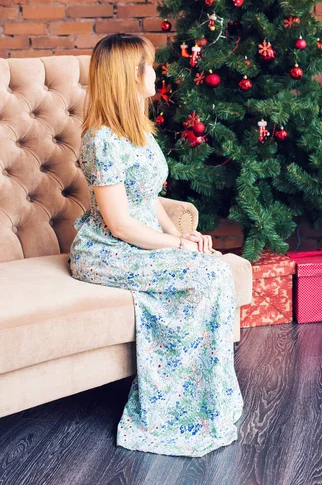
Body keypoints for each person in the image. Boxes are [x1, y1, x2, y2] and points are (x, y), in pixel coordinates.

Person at [68, 33, 243, 457]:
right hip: (106, 251)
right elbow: (121, 224)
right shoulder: (101, 140)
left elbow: (148, 201)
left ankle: (207, 401)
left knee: (216, 268)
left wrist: (180, 236)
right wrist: (174, 247)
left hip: (139, 239)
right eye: (148, 66)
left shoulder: (141, 133)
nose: (155, 73)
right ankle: (173, 412)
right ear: (129, 75)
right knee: (203, 271)